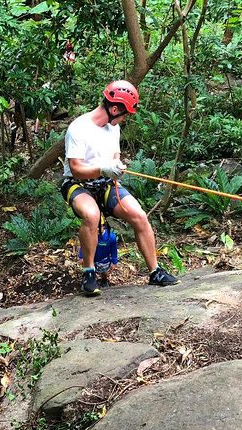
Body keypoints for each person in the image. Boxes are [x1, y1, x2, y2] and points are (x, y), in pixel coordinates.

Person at [61, 80, 180, 296]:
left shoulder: (113, 128)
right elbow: (76, 168)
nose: (125, 119)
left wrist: (116, 167)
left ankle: (155, 271)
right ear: (114, 109)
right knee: (91, 214)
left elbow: (114, 156)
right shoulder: (78, 128)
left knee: (139, 215)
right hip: (77, 184)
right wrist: (103, 169)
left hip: (106, 184)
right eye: (124, 114)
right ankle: (89, 272)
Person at [78, 221, 118, 288]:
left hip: (104, 259)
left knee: (104, 272)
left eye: (99, 227)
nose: (97, 229)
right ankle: (89, 282)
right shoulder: (90, 235)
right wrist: (81, 256)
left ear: (103, 226)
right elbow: (84, 245)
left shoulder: (110, 237)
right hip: (91, 258)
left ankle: (104, 280)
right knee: (88, 270)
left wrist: (114, 261)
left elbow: (114, 250)